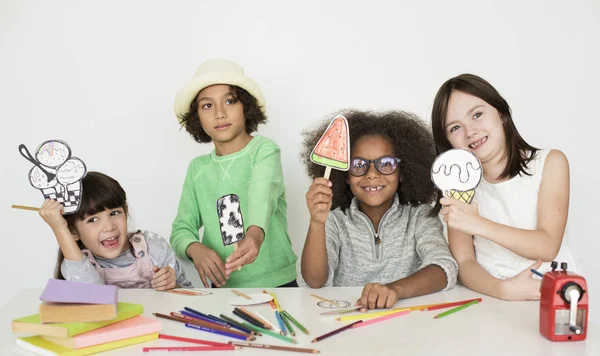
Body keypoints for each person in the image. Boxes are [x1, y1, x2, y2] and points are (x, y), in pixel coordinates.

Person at [431, 73, 575, 301]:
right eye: (455, 128)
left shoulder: (550, 163)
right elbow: (465, 262)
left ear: (501, 113)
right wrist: (502, 290)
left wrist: (478, 224)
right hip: (489, 296)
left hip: (552, 296)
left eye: (477, 115)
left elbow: (547, 246)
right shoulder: (458, 186)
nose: (470, 132)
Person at [300, 110, 458, 310]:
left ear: (403, 171)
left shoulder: (419, 216)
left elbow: (444, 268)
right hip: (347, 321)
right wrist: (316, 222)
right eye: (358, 165)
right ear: (345, 175)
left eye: (385, 163)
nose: (372, 175)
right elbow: (314, 281)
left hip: (407, 322)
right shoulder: (334, 220)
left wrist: (394, 290)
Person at [170, 59, 297, 288]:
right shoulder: (197, 169)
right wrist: (195, 248)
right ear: (196, 115)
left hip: (278, 283)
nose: (220, 113)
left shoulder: (264, 151)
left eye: (229, 101)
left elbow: (262, 192)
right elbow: (181, 229)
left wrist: (255, 234)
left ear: (245, 107)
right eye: (207, 105)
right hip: (224, 290)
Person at [39, 171, 191, 289]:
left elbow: (191, 295)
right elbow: (93, 297)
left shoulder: (154, 247)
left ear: (125, 211)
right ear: (73, 232)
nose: (109, 226)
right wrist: (60, 229)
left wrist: (173, 286)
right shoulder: (77, 264)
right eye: (92, 219)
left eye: (114, 213)